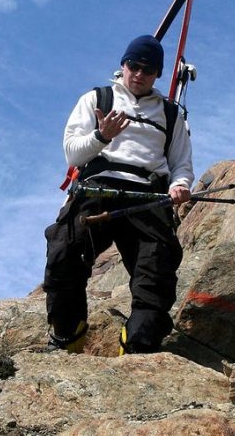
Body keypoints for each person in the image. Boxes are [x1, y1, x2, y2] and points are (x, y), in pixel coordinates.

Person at [43, 34, 194, 354]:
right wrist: (101, 136)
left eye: (148, 69)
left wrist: (179, 186)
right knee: (65, 252)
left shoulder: (170, 114)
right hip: (96, 188)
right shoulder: (95, 99)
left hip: (148, 196)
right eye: (133, 66)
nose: (139, 74)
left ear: (158, 74)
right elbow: (73, 155)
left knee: (157, 272)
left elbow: (181, 164)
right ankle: (69, 334)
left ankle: (138, 344)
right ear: (122, 65)